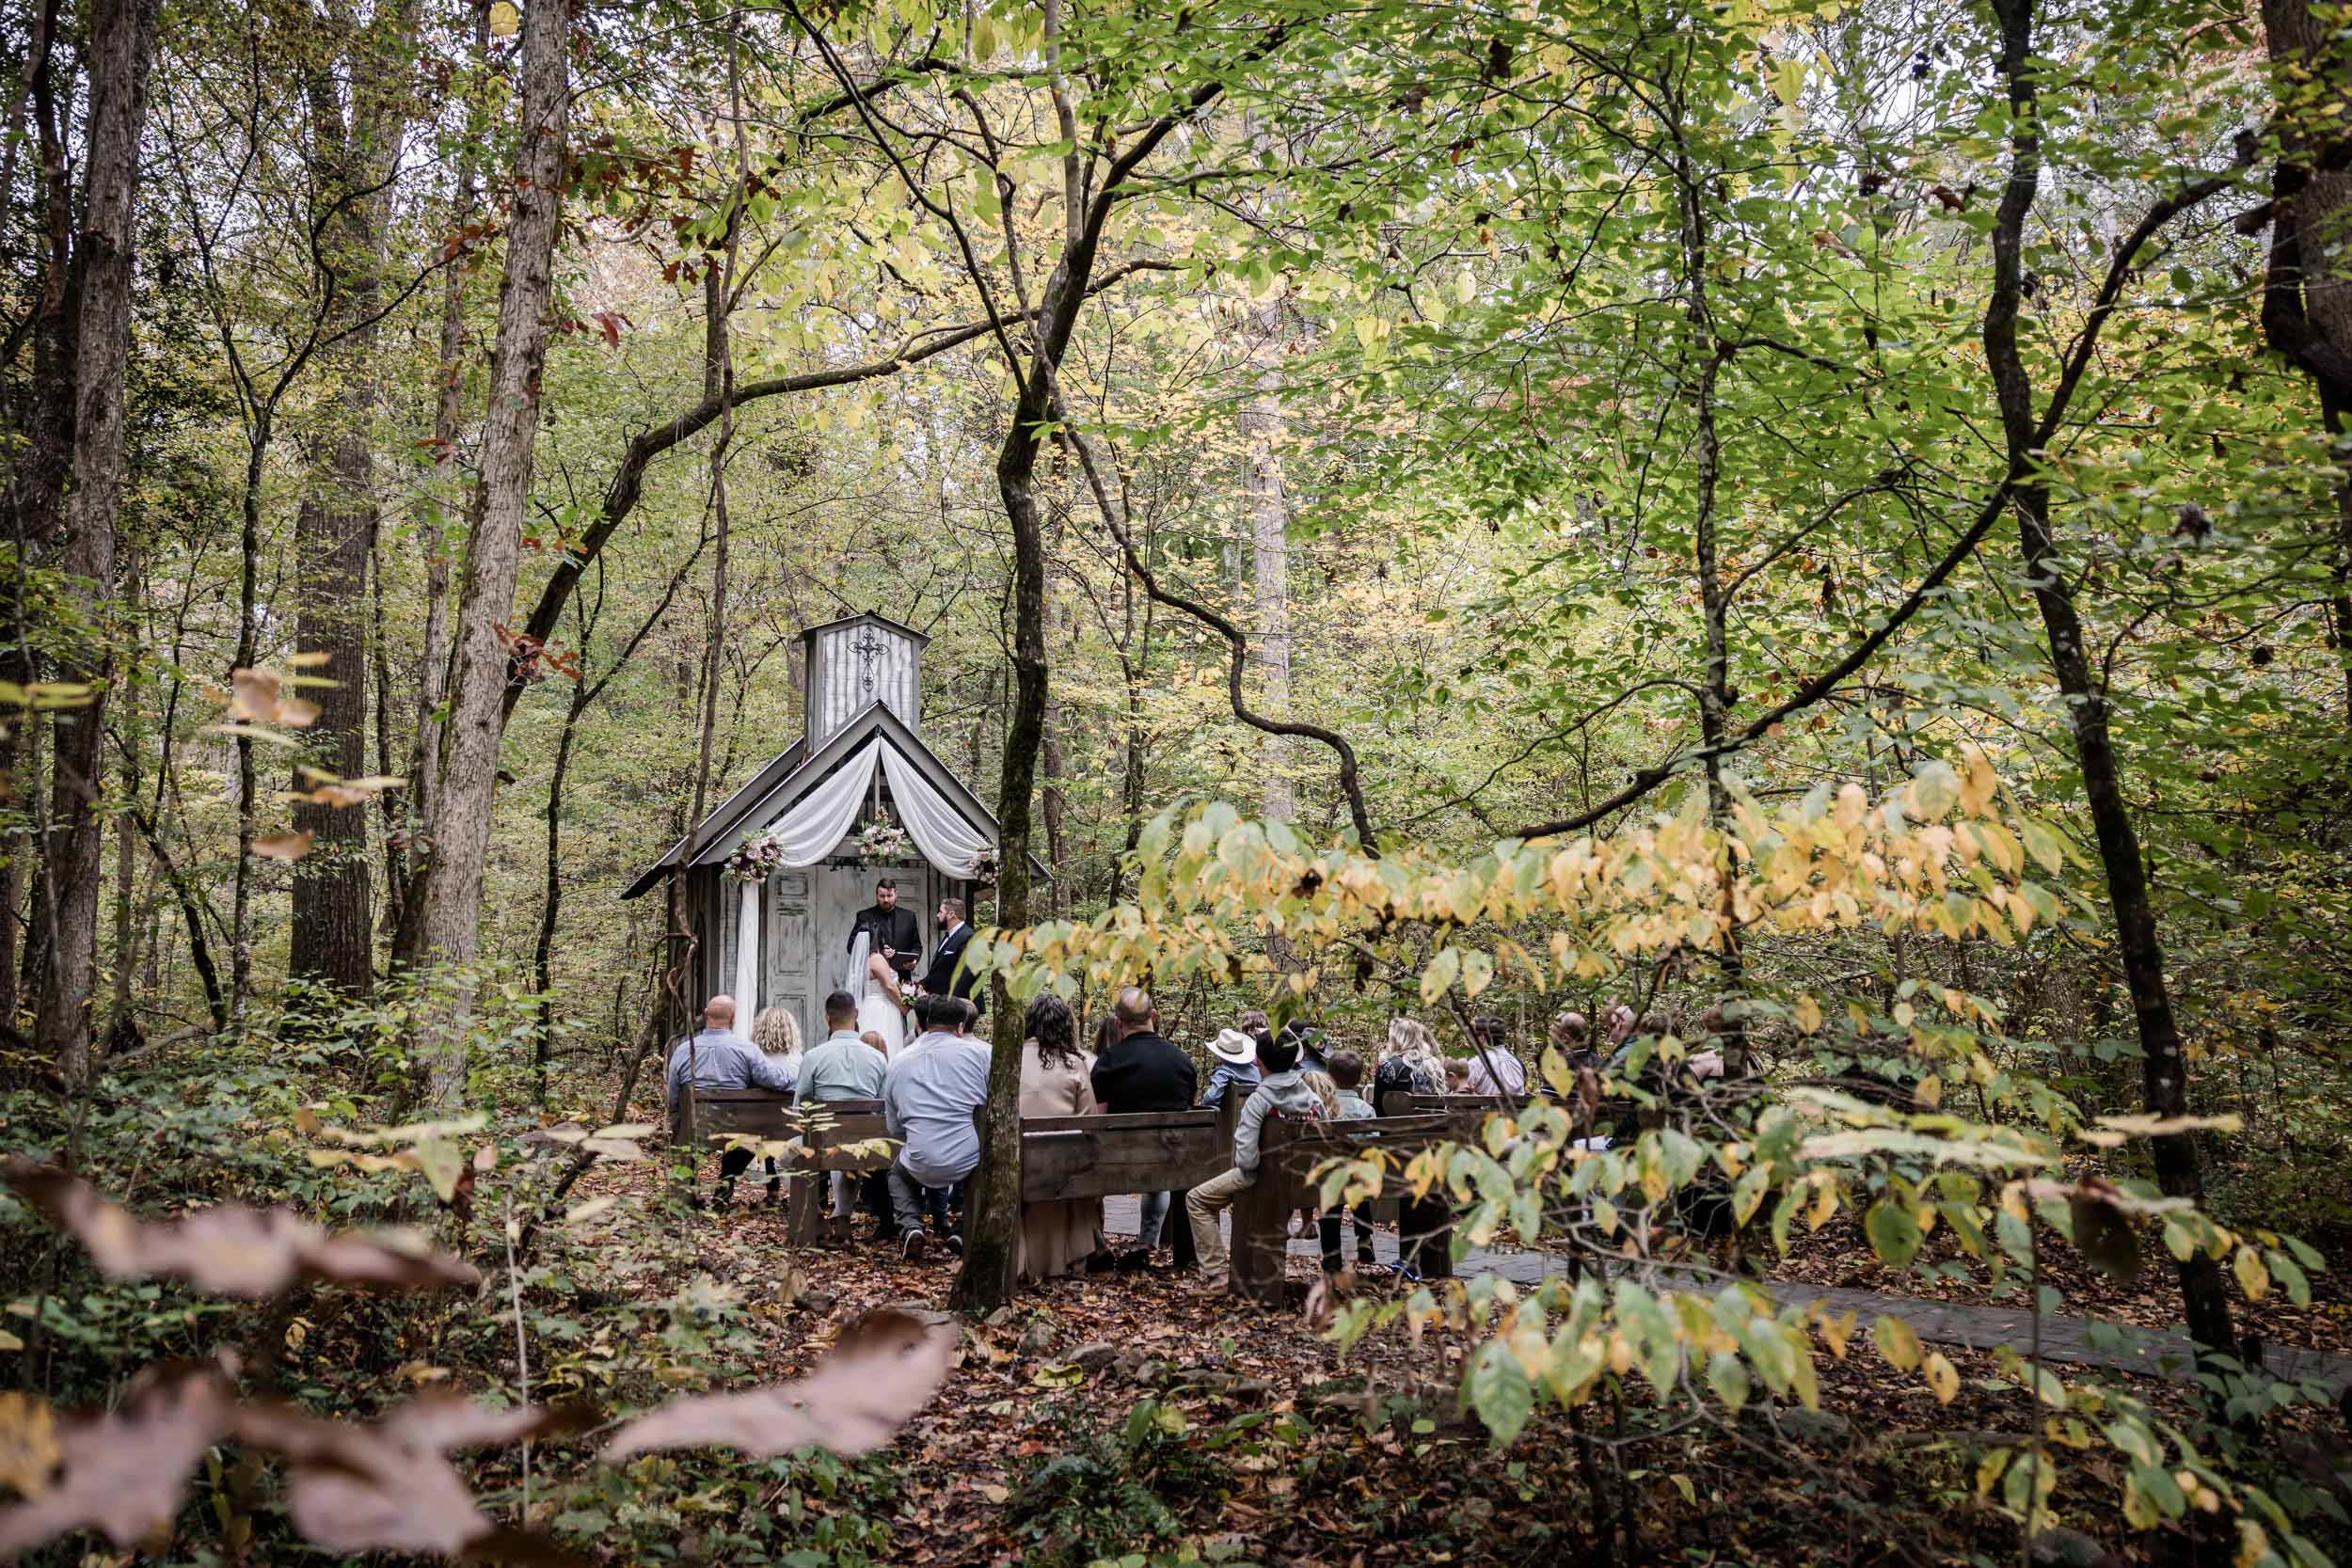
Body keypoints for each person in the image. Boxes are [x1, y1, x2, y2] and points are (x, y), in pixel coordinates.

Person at [1183, 1026, 1324, 1291]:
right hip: (1302, 1182)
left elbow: (1247, 1161)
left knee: (1197, 1199)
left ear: (1258, 1060)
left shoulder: (1259, 1100)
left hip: (1264, 1180)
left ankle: (1217, 1274)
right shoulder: (1313, 1100)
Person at [882, 992, 992, 1261]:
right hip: (967, 1156)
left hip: (919, 1155)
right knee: (984, 1170)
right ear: (961, 1027)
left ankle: (911, 1225)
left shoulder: (901, 1059)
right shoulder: (982, 1054)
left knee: (897, 1174)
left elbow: (893, 1126)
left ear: (926, 1023)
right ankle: (962, 1229)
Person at [1089, 988, 1198, 1256]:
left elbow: (1098, 1120)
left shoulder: (1107, 1062)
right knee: (1159, 1174)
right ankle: (1148, 1241)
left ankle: (1096, 1245)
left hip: (1114, 1162)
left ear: (1118, 1022)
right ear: (1154, 1016)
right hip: (1171, 1159)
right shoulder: (1183, 1062)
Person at [663, 994, 793, 1207]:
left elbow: (673, 1097)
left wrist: (677, 1125)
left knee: (687, 1130)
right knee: (752, 1138)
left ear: (705, 1015)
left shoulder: (683, 1050)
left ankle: (689, 1192)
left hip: (694, 1129)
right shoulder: (746, 1050)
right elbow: (776, 1080)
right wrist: (801, 1078)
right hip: (736, 1130)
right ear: (733, 1019)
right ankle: (724, 1189)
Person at [1017, 993, 1100, 1280]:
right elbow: (1089, 1119)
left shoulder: (1009, 1059)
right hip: (1062, 1166)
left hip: (1018, 1160)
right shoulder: (1074, 1064)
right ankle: (1071, 1258)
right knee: (1079, 1162)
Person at [798, 990, 891, 1243]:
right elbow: (885, 1106)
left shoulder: (813, 1057)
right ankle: (842, 1217)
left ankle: (816, 1214)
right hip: (865, 1145)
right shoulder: (877, 1058)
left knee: (785, 1158)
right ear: (856, 1014)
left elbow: (799, 1107)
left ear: (826, 1017)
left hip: (821, 1143)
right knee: (850, 1154)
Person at [1318, 1051, 1379, 1274]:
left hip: (1331, 1175)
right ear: (1359, 1078)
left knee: (1330, 1206)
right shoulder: (1366, 1109)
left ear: (1330, 1077)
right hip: (1359, 1173)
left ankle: (1332, 1257)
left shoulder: (1325, 1107)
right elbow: (1374, 1143)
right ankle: (1364, 1237)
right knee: (1358, 1194)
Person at [848, 876, 923, 986]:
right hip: (874, 981)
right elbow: (851, 946)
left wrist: (914, 961)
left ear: (896, 894)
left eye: (889, 895)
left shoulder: (909, 917)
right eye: (882, 896)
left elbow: (917, 946)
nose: (886, 900)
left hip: (902, 980)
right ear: (876, 895)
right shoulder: (865, 916)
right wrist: (878, 953)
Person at [919, 895, 983, 1012]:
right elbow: (940, 971)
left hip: (958, 1007)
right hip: (943, 1004)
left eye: (940, 912)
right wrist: (920, 985)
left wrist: (950, 1005)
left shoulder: (968, 936)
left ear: (951, 914)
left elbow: (966, 975)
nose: (937, 915)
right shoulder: (950, 936)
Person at [1374, 1018, 1445, 1113]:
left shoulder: (1389, 1066)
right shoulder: (1434, 1065)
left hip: (1398, 1122)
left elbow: (1378, 1107)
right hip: (1434, 1121)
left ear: (1395, 1039)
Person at [1461, 1015, 1526, 1096]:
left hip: (1486, 1104)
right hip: (1517, 1104)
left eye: (1471, 1035)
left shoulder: (1477, 1063)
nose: (1468, 1039)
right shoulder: (1517, 1062)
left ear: (1481, 1038)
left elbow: (1460, 1092)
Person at [1200, 1029, 1262, 1110]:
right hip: (1257, 1114)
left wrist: (1202, 1103)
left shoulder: (1224, 1072)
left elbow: (1211, 1098)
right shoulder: (1256, 1070)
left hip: (1231, 1117)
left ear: (1219, 1054)